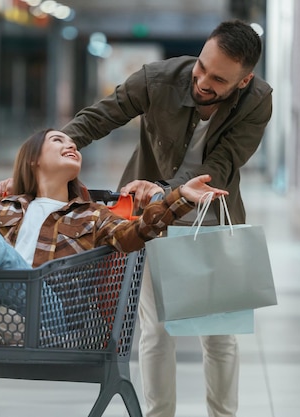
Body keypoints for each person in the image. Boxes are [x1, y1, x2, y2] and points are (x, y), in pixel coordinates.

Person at [58, 19, 273, 417]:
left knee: (220, 335)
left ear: (243, 81)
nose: (204, 81)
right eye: (202, 66)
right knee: (156, 330)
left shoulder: (257, 100)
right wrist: (45, 155)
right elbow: (98, 118)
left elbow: (222, 165)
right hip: (152, 222)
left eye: (219, 79)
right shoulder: (157, 79)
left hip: (212, 218)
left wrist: (164, 190)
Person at [0, 131, 228, 315]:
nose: (71, 145)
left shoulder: (93, 215)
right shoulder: (4, 204)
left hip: (47, 309)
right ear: (33, 160)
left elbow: (138, 233)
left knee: (1, 258)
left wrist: (179, 197)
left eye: (74, 144)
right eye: (58, 140)